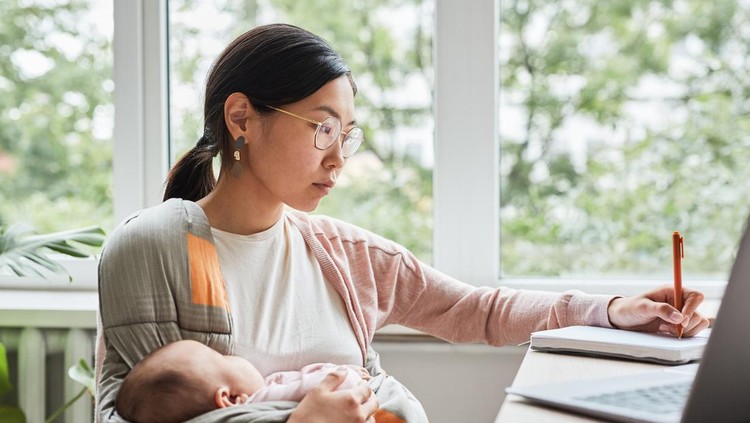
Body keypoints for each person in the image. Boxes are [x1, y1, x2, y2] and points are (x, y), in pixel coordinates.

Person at [95, 23, 710, 423]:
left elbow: (478, 310)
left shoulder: (339, 253)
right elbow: (127, 415)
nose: (338, 157)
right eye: (322, 128)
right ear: (241, 118)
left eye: (347, 134)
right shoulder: (157, 249)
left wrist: (612, 310)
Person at [115, 340, 370, 423]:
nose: (232, 356)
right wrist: (349, 372)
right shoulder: (262, 401)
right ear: (229, 398)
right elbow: (338, 389)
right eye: (222, 358)